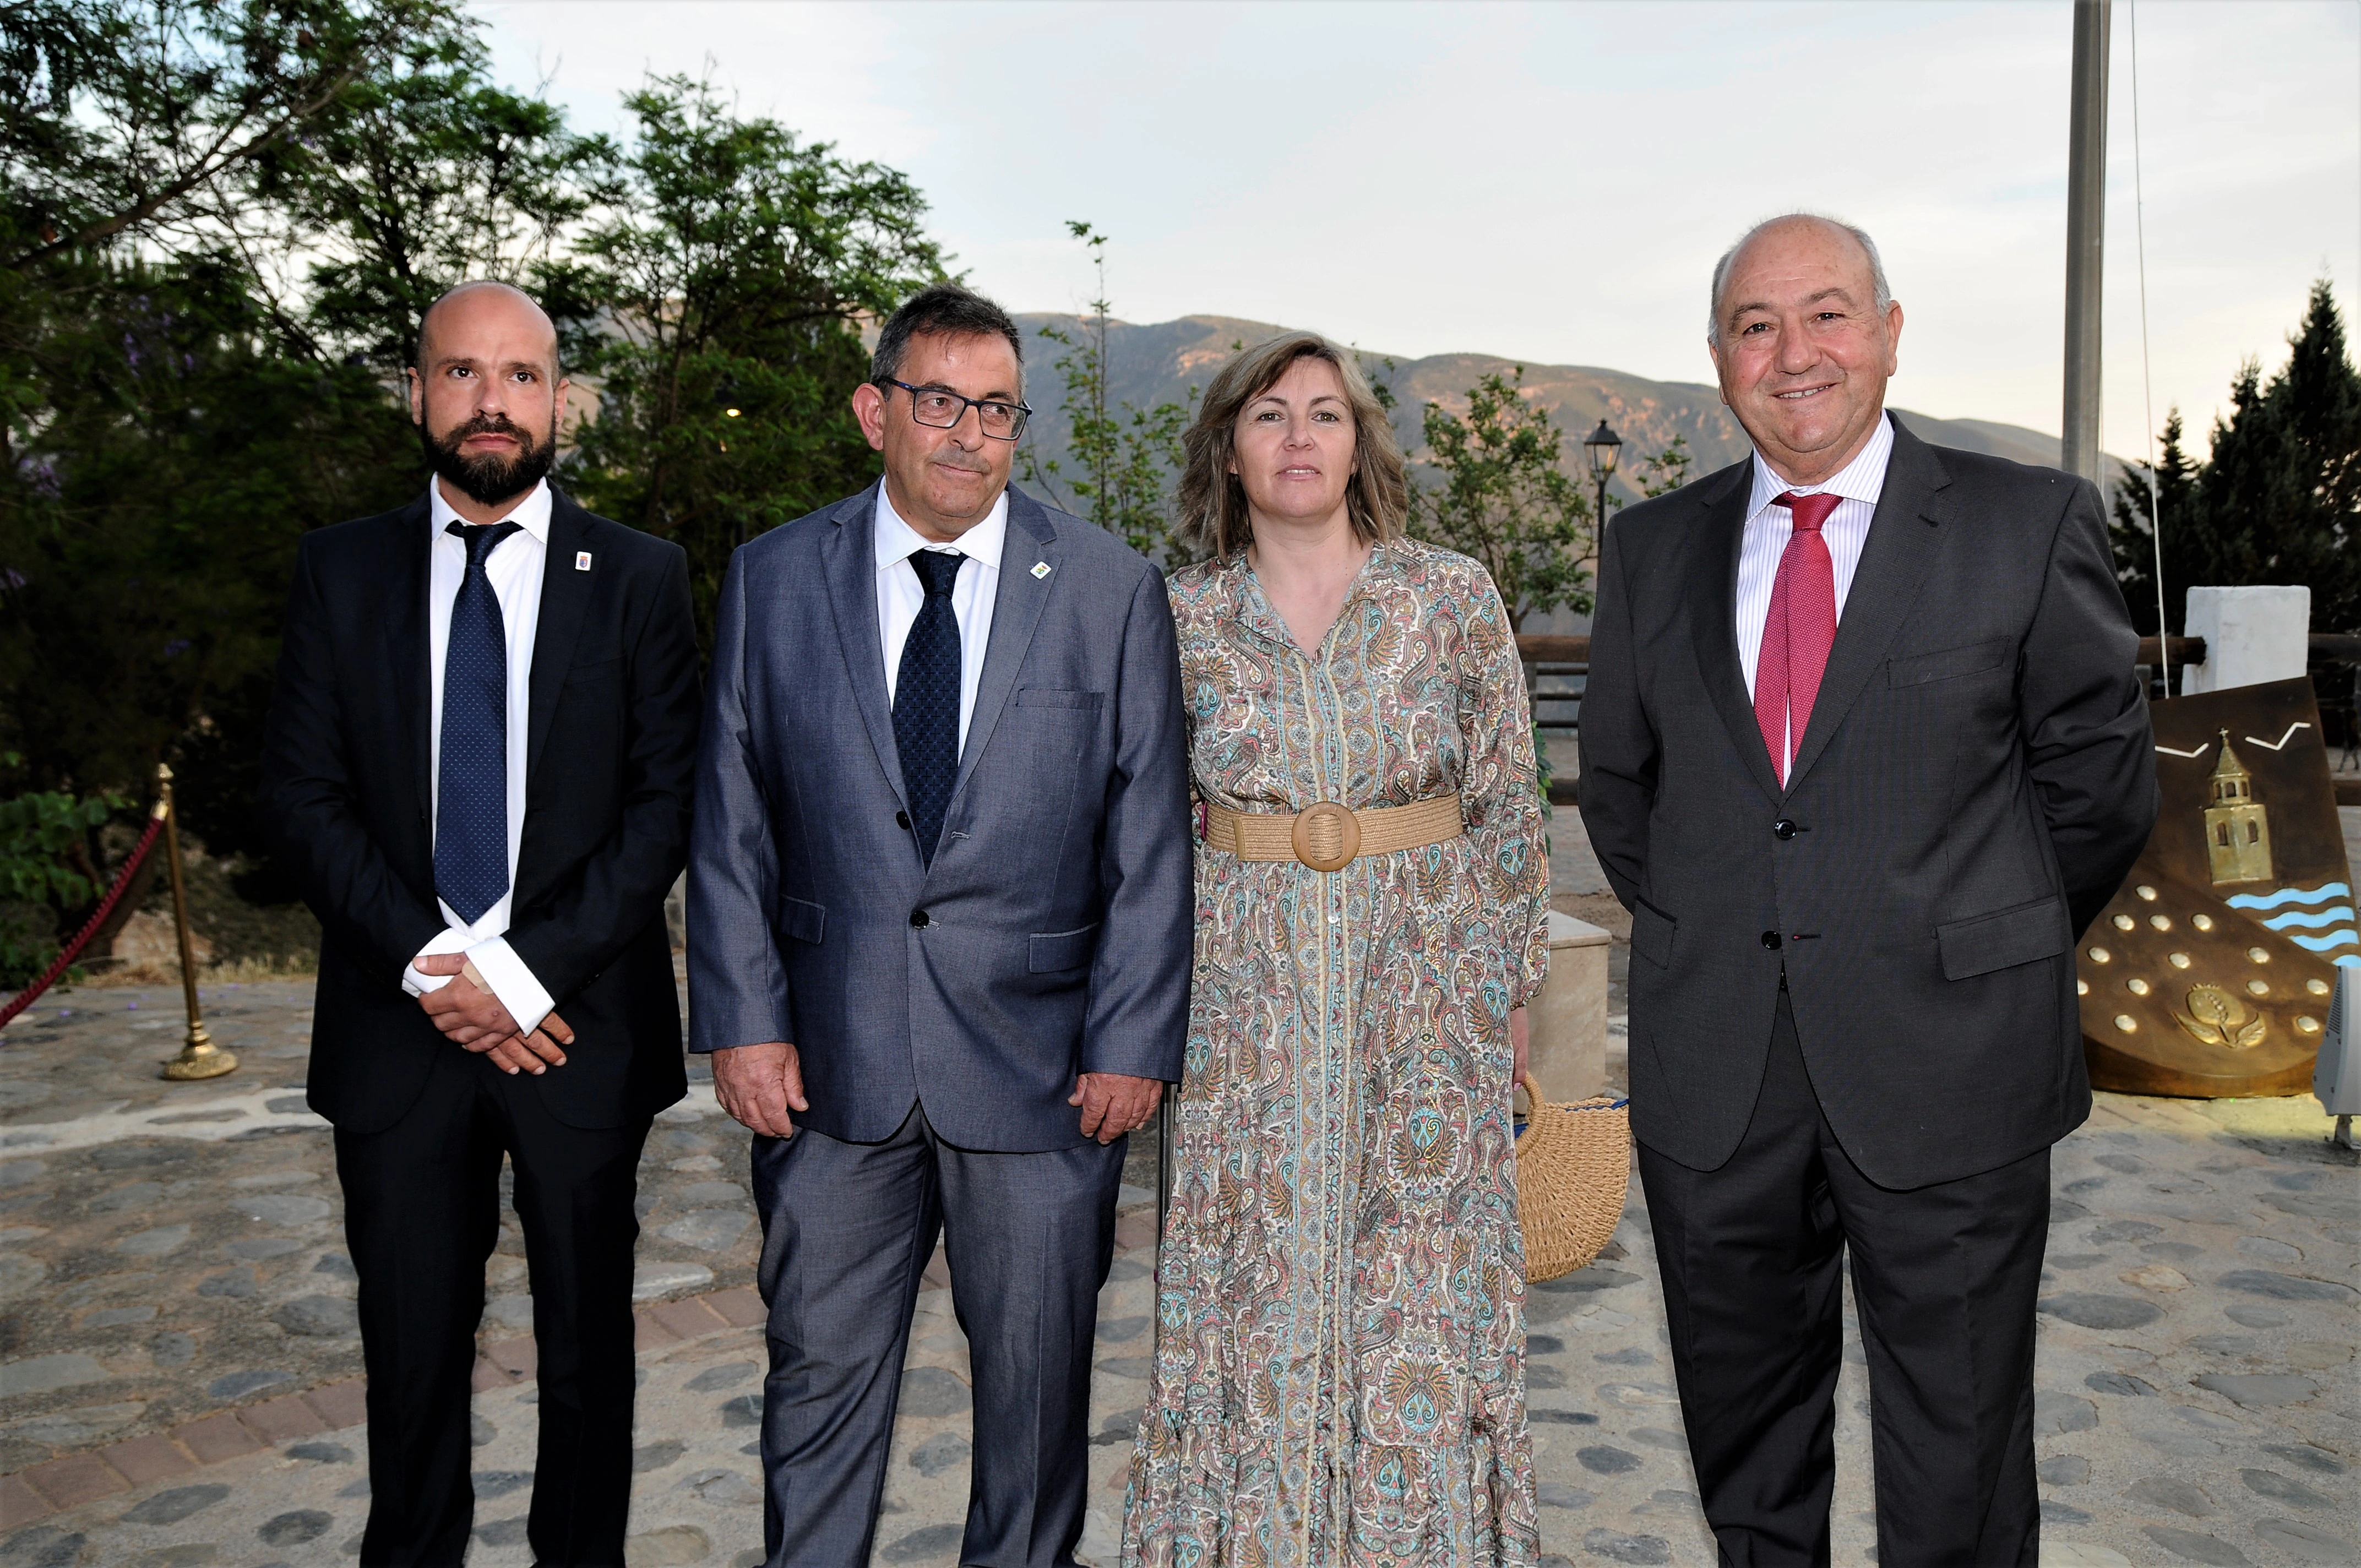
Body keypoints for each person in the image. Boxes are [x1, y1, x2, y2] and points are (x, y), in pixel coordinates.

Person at [1577, 214, 2158, 1564]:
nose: (1794, 354)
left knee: (1956, 1440)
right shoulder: (1650, 549)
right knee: (1743, 1432)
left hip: (1951, 1058)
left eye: (1826, 314)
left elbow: (2098, 788)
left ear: (1889, 332)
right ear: (1719, 357)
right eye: (1755, 325)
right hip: (1718, 1060)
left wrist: (1970, 939)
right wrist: (1719, 928)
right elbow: (1621, 788)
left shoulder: (2023, 521)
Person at [688, 282, 1193, 1568]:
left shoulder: (1106, 588)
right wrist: (742, 1022)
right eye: (938, 401)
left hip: (1041, 1081)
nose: (967, 434)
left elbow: (1146, 836)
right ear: (875, 411)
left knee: (1034, 1413)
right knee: (817, 1391)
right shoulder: (773, 577)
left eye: (996, 410)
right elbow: (731, 815)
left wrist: (1131, 1038)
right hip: (826, 1074)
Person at [259, 280, 701, 1564]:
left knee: (586, 1365)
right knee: (406, 1368)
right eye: (460, 372)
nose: (490, 401)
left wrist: (517, 974)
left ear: (561, 399)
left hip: (576, 1035)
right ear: (417, 392)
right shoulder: (338, 569)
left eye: (518, 376)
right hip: (399, 1042)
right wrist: (440, 966)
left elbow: (662, 804)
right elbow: (301, 791)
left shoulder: (636, 577)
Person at [1121, 333, 1551, 1568]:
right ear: (1228, 449)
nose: (1298, 437)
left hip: (1425, 995)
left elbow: (1508, 800)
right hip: (1242, 1002)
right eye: (1268, 415)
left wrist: (1505, 981)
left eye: (1323, 412)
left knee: (1415, 1286)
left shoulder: (1447, 594)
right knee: (1243, 1284)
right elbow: (1142, 822)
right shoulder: (1178, 615)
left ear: (1358, 441)